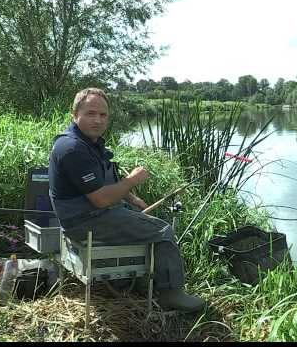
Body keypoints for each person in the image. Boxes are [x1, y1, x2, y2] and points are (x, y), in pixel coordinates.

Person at [48, 87, 206, 312]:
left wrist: (131, 198)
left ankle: (134, 281)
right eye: (91, 113)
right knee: (163, 232)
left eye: (103, 115)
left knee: (151, 220)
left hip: (92, 214)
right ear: (75, 114)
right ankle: (172, 294)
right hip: (85, 221)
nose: (98, 120)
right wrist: (132, 180)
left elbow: (100, 183)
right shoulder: (72, 148)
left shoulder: (88, 143)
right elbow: (101, 199)